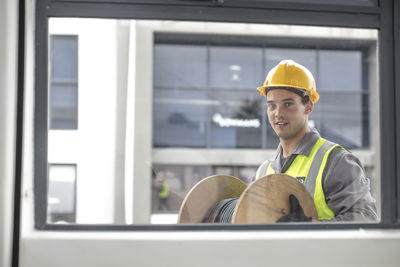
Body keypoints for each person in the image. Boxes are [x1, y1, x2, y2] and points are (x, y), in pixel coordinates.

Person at [254, 59, 378, 222]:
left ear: (308, 107)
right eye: (272, 106)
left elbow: (366, 218)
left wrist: (310, 225)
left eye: (288, 104)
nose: (278, 113)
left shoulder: (336, 161)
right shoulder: (264, 171)